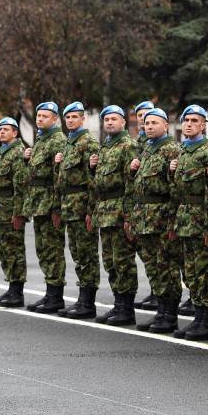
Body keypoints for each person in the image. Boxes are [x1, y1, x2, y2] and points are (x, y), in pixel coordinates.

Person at [169, 105, 208, 340]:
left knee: (204, 272)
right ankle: (198, 316)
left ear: (203, 126)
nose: (189, 124)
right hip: (185, 220)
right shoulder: (183, 151)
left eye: (194, 121)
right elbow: (177, 191)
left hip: (200, 221)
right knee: (191, 271)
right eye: (186, 120)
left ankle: (207, 320)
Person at [129, 107, 181, 333]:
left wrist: (171, 222)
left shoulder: (171, 150)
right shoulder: (148, 149)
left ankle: (170, 314)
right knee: (153, 267)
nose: (148, 127)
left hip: (161, 218)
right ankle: (161, 310)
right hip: (144, 218)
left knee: (166, 266)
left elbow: (175, 191)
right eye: (146, 124)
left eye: (153, 124)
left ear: (165, 126)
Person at [89, 105, 139, 325]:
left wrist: (128, 216)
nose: (109, 122)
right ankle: (119, 304)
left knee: (123, 261)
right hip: (104, 211)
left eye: (114, 119)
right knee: (110, 261)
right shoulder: (105, 147)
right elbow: (99, 183)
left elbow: (131, 184)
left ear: (123, 123)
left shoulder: (128, 146)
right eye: (106, 119)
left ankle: (127, 308)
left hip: (119, 211)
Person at [55, 101, 101, 319]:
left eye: (75, 117)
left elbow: (93, 180)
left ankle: (88, 302)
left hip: (82, 207)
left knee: (87, 254)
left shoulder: (88, 143)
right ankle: (82, 298)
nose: (71, 120)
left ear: (83, 119)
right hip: (69, 207)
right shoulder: (69, 144)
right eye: (68, 117)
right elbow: (63, 179)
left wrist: (91, 211)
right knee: (77, 253)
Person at [22, 102, 67, 313]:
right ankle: (50, 293)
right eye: (38, 115)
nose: (40, 119)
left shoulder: (58, 140)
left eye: (45, 116)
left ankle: (56, 296)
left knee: (53, 250)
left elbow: (59, 178)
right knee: (43, 249)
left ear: (54, 119)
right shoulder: (42, 139)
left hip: (50, 203)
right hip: (38, 203)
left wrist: (57, 208)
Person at [0, 117, 29, 308]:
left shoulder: (17, 152)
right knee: (4, 249)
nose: (2, 132)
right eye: (0, 129)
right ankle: (11, 286)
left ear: (15, 133)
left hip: (11, 207)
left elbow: (20, 184)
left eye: (6, 129)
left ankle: (17, 292)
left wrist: (19, 212)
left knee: (14, 250)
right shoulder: (2, 151)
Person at [131, 100, 160, 312]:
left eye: (148, 116)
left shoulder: (158, 145)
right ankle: (155, 292)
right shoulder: (140, 144)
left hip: (156, 211)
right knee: (148, 256)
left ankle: (162, 296)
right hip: (141, 208)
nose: (143, 120)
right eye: (141, 116)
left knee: (161, 258)